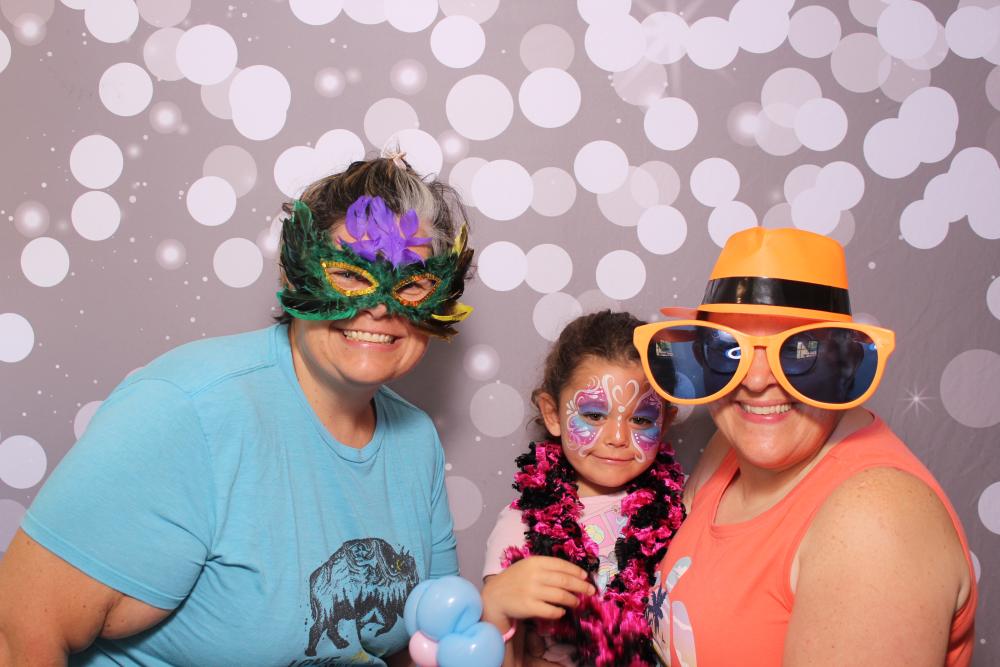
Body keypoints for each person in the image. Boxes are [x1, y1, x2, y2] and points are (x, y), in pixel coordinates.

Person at [0, 155, 475, 666]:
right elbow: (19, 632)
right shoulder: (187, 409)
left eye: (412, 285)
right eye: (349, 276)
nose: (380, 307)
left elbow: (425, 639)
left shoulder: (415, 439)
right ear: (296, 274)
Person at [635, 227, 977, 666]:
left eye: (798, 352)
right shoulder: (735, 440)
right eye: (730, 350)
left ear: (844, 363)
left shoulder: (875, 522)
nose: (756, 381)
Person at [481, 310, 687, 667]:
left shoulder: (683, 508)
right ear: (552, 414)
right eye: (593, 415)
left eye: (641, 419)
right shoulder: (522, 528)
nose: (618, 438)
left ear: (665, 421)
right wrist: (495, 606)